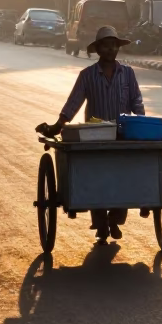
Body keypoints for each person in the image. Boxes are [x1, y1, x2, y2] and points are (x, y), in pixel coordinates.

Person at [36, 26, 145, 243]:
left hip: (122, 135)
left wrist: (141, 124)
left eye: (113, 44)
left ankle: (114, 219)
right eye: (106, 45)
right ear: (98, 49)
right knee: (96, 179)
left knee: (121, 179)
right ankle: (101, 222)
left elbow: (137, 102)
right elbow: (74, 102)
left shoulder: (128, 74)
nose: (110, 48)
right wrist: (59, 124)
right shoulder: (87, 76)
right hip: (95, 136)